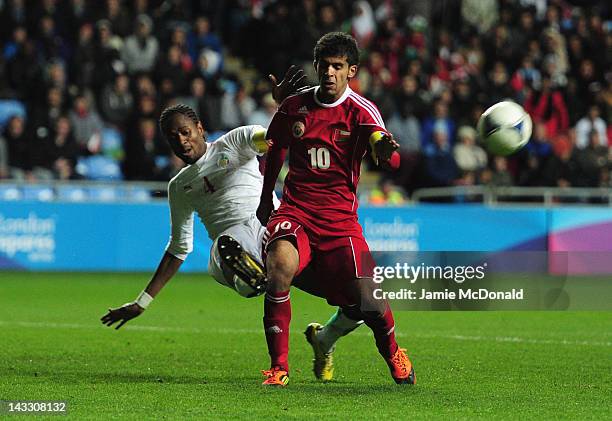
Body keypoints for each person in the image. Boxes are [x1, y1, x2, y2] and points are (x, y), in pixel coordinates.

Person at [100, 69, 361, 360]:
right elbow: (178, 247)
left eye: (185, 132)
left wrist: (284, 107)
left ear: (200, 128)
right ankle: (246, 276)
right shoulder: (179, 187)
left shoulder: (235, 141)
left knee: (359, 302)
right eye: (173, 138)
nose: (182, 141)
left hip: (279, 235)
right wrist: (142, 302)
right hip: (228, 246)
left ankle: (324, 338)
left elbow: (275, 140)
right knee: (231, 241)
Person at [256, 32, 415, 386]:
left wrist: (386, 154)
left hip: (340, 222)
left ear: (351, 71)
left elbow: (384, 149)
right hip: (295, 210)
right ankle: (278, 367)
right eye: (324, 66)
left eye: (337, 67)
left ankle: (393, 353)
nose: (329, 72)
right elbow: (276, 149)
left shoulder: (361, 110)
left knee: (369, 303)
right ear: (316, 67)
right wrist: (267, 197)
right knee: (279, 266)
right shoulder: (294, 106)